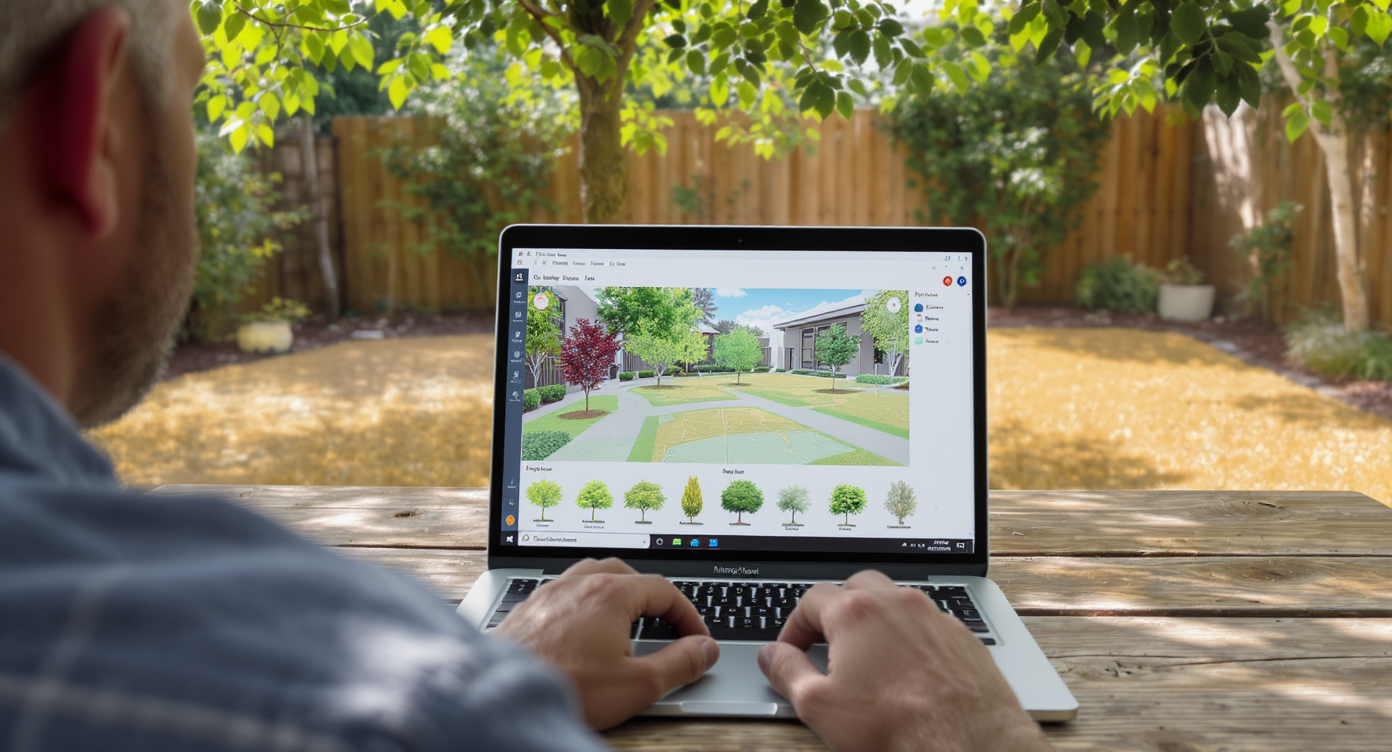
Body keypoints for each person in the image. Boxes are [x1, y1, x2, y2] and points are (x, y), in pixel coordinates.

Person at [0, 2, 1054, 750]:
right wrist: (965, 725)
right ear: (91, 123)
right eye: (188, 84)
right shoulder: (378, 699)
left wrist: (500, 667)